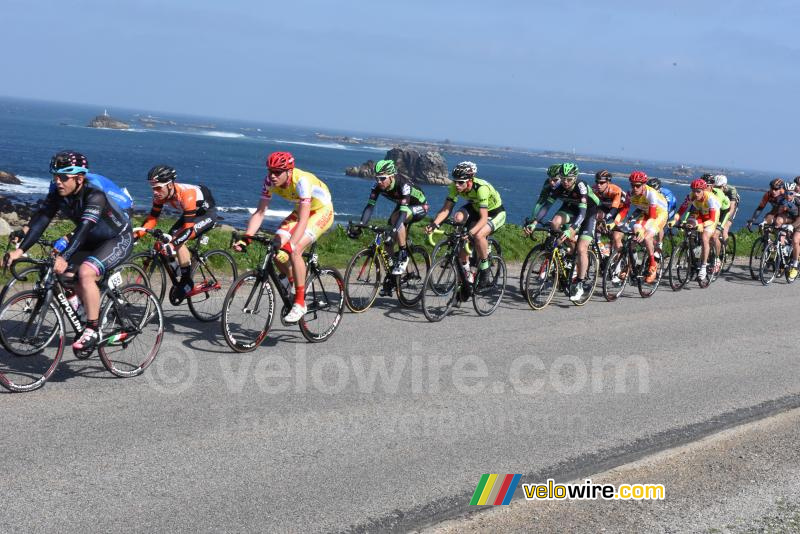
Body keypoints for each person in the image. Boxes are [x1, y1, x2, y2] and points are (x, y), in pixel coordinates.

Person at [4, 151, 133, 351]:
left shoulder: (94, 195)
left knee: (85, 272)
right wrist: (19, 251)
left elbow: (82, 229)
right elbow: (41, 221)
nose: (58, 181)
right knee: (62, 274)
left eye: (63, 177)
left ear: (79, 178)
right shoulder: (57, 193)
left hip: (116, 238)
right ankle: (85, 312)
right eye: (55, 176)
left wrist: (64, 256)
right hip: (91, 238)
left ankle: (92, 329)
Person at [233, 151, 334, 323]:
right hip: (301, 211)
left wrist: (290, 246)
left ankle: (301, 302)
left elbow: (303, 221)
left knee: (294, 251)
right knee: (275, 246)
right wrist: (247, 237)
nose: (272, 176)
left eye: (277, 172)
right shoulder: (269, 181)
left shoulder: (301, 181)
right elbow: (260, 212)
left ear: (289, 171)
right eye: (270, 171)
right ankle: (293, 280)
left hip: (321, 211)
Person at [135, 165, 219, 301]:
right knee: (169, 238)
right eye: (153, 188)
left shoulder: (187, 195)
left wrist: (174, 244)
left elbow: (188, 229)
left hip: (206, 214)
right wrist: (136, 235)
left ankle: (187, 281)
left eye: (158, 188)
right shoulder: (160, 196)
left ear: (169, 185)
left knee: (177, 240)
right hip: (191, 213)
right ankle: (180, 267)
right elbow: (151, 219)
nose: (155, 192)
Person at [351, 160, 428, 295]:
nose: (379, 181)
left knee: (395, 220)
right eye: (377, 178)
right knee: (388, 242)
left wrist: (394, 229)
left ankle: (403, 253)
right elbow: (369, 207)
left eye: (382, 178)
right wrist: (361, 226)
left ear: (391, 176)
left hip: (419, 206)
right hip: (403, 206)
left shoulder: (403, 184)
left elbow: (403, 213)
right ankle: (393, 276)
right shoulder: (377, 187)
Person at [526, 162, 600, 301]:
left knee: (582, 248)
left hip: (588, 212)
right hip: (571, 207)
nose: (565, 182)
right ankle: (566, 252)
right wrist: (535, 222)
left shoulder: (581, 186)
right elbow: (546, 206)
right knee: (555, 223)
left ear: (575, 177)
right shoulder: (559, 186)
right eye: (563, 178)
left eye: (569, 179)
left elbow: (582, 213)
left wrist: (571, 229)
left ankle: (580, 283)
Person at [426, 161, 505, 288]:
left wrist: (471, 233)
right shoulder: (454, 186)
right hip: (475, 207)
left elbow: (484, 218)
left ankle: (484, 267)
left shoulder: (481, 189)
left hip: (494, 213)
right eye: (455, 181)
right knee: (458, 217)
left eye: (461, 182)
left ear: (470, 180)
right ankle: (467, 270)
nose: (457, 185)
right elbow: (446, 209)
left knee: (478, 235)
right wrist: (435, 224)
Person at [613, 171, 668, 283]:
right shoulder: (630, 193)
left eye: (637, 185)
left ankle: (653, 264)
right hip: (646, 213)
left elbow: (652, 216)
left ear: (644, 185)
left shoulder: (650, 193)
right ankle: (630, 267)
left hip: (659, 215)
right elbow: (625, 210)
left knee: (647, 237)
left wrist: (644, 231)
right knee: (633, 237)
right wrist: (616, 221)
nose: (635, 188)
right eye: (632, 185)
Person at [672, 178, 720, 282]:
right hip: (700, 213)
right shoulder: (691, 196)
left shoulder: (711, 199)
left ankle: (703, 266)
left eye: (698, 191)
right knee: (688, 226)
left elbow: (712, 219)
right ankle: (692, 255)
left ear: (704, 191)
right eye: (694, 191)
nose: (696, 194)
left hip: (712, 217)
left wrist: (702, 225)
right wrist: (675, 219)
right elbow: (681, 210)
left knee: (704, 237)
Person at [593, 170, 626, 253]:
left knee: (616, 237)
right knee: (596, 216)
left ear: (608, 182)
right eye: (597, 182)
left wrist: (604, 220)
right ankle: (600, 245)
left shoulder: (615, 190)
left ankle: (618, 260)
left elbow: (614, 209)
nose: (598, 185)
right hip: (607, 207)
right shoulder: (595, 189)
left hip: (620, 209)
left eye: (601, 183)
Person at [713, 174, 739, 244]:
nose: (717, 188)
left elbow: (731, 208)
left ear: (724, 185)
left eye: (719, 187)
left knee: (724, 228)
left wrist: (724, 220)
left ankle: (724, 248)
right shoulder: (713, 188)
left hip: (732, 205)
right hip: (722, 205)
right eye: (715, 186)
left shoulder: (731, 190)